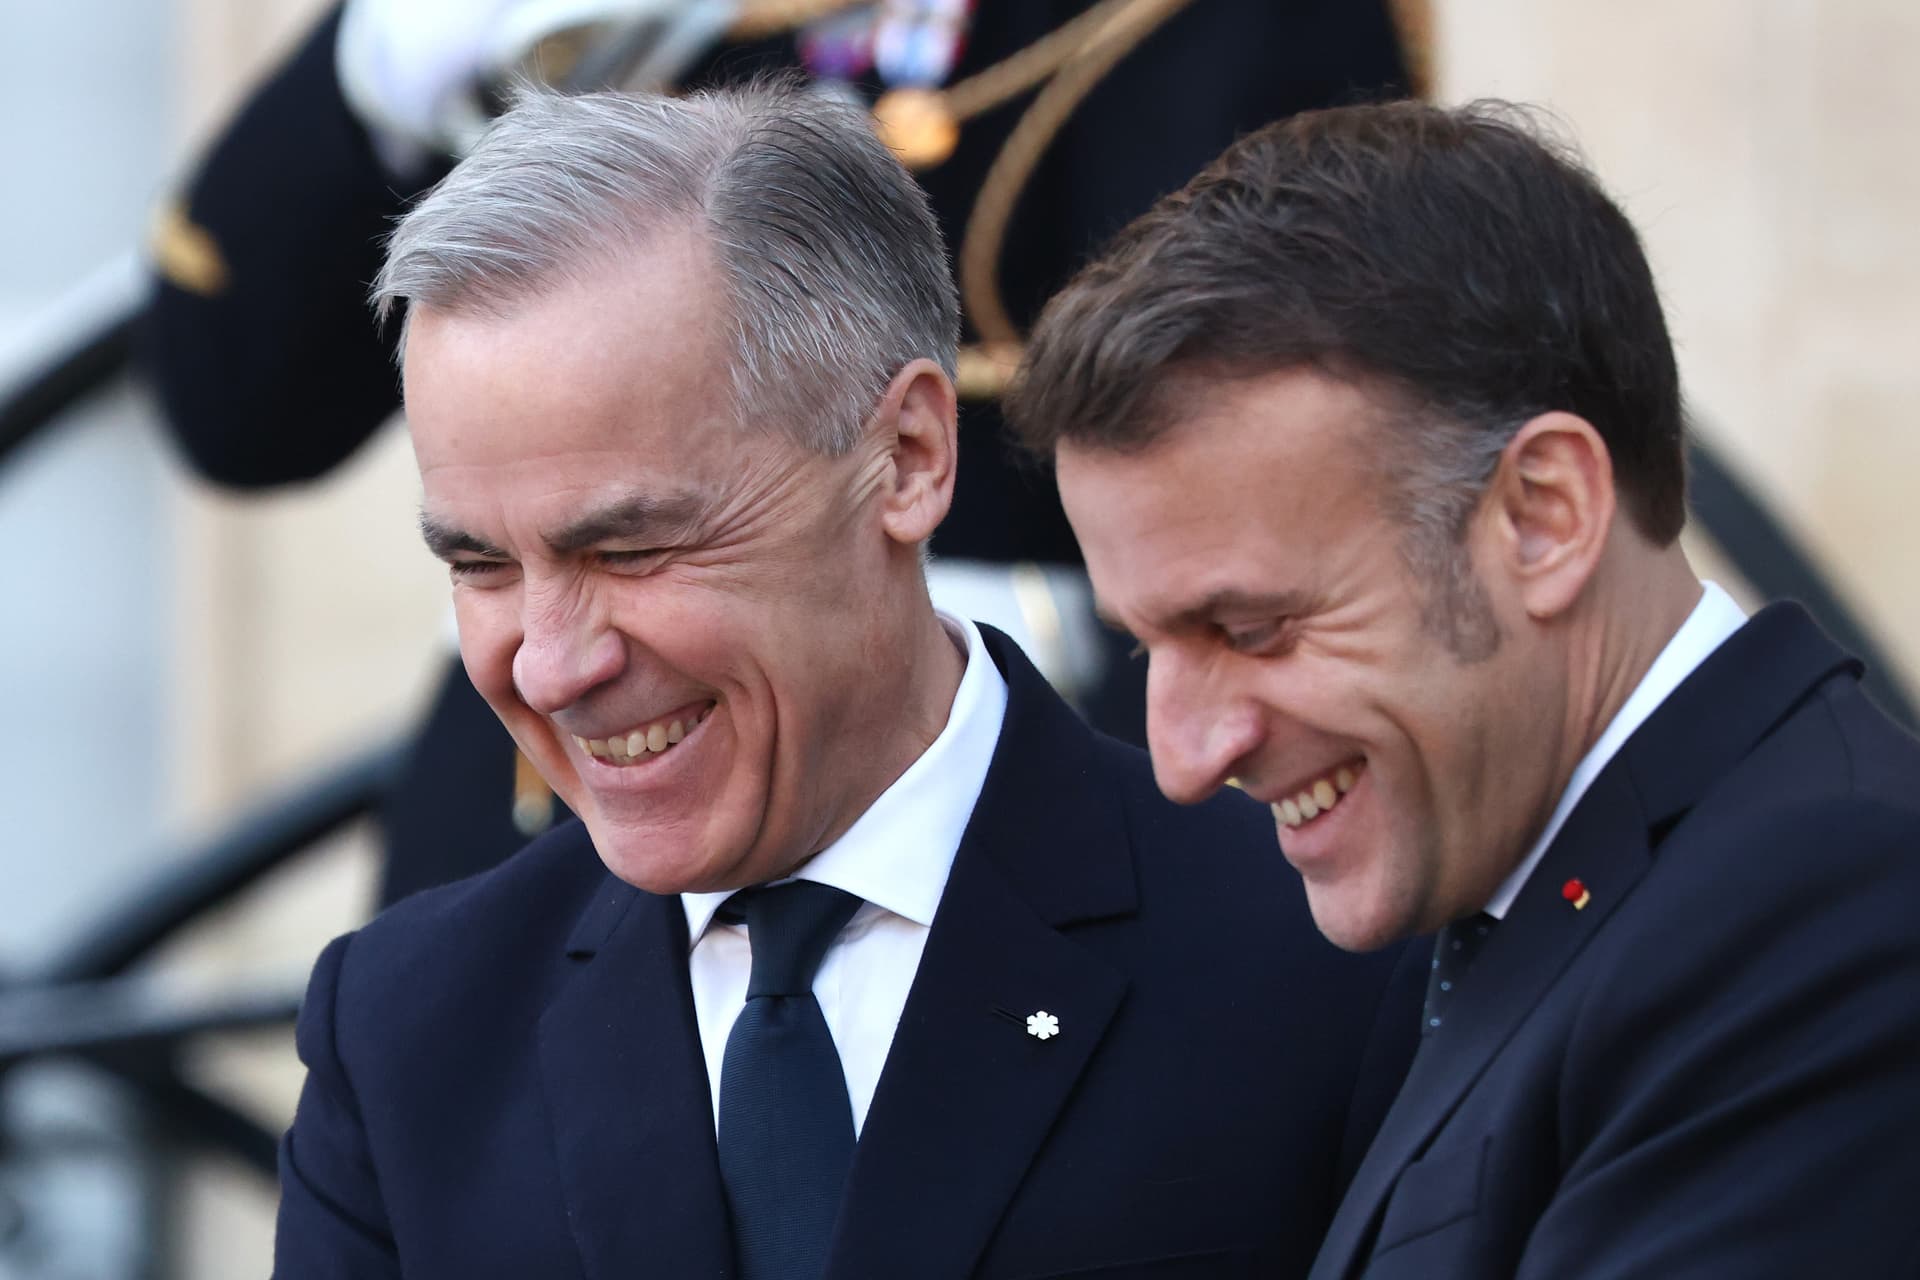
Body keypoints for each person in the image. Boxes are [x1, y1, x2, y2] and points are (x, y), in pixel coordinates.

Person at [272, 82, 1424, 1277]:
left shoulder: (1319, 953)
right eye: (481, 565)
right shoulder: (409, 1031)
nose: (556, 663)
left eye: (631, 549)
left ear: (906, 459)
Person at [141, 0, 1414, 903]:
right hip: (525, 830)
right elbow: (233, 404)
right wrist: (386, 59)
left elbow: (1261, 447)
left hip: (970, 784)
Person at [1008, 100, 1920, 1277]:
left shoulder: (1821, 911)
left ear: (1543, 516)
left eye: (1249, 627)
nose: (1183, 756)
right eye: (1145, 645)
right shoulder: (1507, 897)